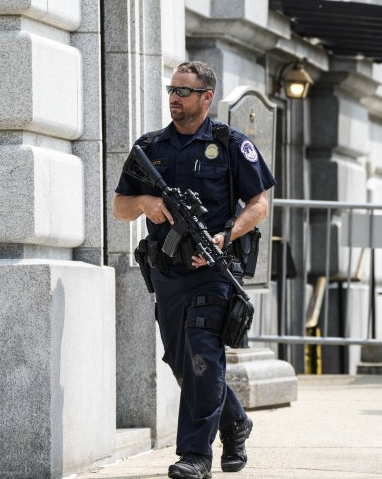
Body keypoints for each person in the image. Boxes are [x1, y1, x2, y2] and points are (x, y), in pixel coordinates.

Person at [113, 61, 276, 477]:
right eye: (172, 89)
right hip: (168, 274)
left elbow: (259, 204)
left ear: (206, 97)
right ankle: (235, 421)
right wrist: (145, 204)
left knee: (203, 355)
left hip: (213, 272)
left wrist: (226, 236)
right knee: (181, 361)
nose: (174, 97)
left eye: (184, 91)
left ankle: (195, 455)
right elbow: (119, 208)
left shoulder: (229, 144)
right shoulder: (149, 147)